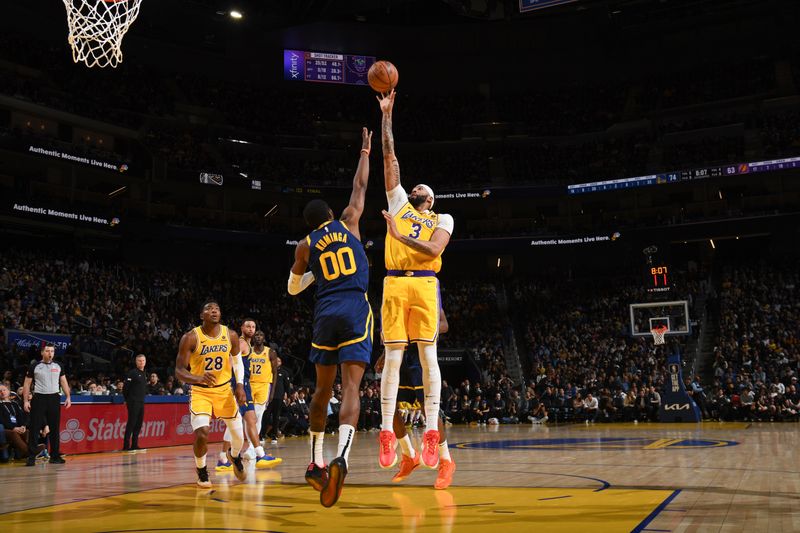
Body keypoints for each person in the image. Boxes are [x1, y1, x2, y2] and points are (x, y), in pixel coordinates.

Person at [287, 126, 372, 508]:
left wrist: (313, 273)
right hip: (354, 307)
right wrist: (364, 152)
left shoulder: (304, 245)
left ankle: (315, 461)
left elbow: (292, 289)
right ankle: (342, 458)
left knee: (322, 390)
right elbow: (359, 186)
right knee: (351, 387)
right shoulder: (350, 220)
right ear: (332, 215)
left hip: (324, 312)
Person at [376, 89, 455, 470]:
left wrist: (399, 235)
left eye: (420, 189)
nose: (414, 189)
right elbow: (389, 156)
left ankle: (431, 431)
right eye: (413, 187)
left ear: (431, 199)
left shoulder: (443, 218)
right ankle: (386, 432)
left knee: (428, 356)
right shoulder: (398, 204)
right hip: (394, 282)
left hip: (424, 282)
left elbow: (433, 250)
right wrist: (386, 115)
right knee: (392, 357)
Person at [375, 310, 456, 490]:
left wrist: (422, 329)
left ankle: (446, 461)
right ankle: (409, 454)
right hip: (397, 354)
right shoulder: (394, 294)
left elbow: (444, 325)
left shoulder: (427, 292)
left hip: (419, 355)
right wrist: (383, 355)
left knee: (428, 409)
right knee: (389, 408)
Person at [175, 301, 248, 488]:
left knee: (239, 437)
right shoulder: (190, 337)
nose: (214, 311)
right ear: (202, 315)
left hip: (224, 390)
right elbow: (179, 371)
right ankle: (201, 470)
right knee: (202, 433)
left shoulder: (230, 335)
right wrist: (198, 378)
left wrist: (240, 385)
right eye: (209, 308)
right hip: (201, 392)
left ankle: (234, 456)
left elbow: (238, 362)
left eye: (217, 308)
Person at [217, 324, 281, 470]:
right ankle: (254, 454)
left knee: (246, 420)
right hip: (241, 385)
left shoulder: (257, 348)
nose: (251, 329)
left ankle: (250, 454)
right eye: (248, 326)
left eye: (253, 327)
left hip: (247, 385)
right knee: (240, 421)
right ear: (242, 328)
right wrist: (232, 383)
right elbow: (230, 362)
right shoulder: (242, 343)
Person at [22, 343, 71, 466]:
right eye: (48, 351)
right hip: (39, 398)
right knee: (35, 427)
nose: (50, 353)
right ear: (42, 352)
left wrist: (68, 397)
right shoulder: (35, 366)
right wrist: (26, 401)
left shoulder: (59, 365)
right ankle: (31, 457)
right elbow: (27, 384)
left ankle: (55, 456)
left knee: (54, 428)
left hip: (54, 398)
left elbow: (63, 381)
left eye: (52, 351)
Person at [263, 356, 290, 444]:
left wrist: (288, 396)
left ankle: (274, 436)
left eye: (278, 361)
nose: (276, 362)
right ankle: (262, 435)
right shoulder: (268, 370)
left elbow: (287, 385)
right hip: (268, 397)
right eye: (275, 360)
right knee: (266, 416)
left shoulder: (284, 373)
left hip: (279, 397)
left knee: (276, 417)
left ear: (281, 363)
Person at [122, 354, 147, 451]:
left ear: (145, 362)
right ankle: (126, 446)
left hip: (141, 402)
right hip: (133, 402)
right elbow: (125, 388)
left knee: (139, 423)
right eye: (139, 361)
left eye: (143, 360)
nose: (141, 362)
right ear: (136, 362)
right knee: (131, 423)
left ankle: (134, 445)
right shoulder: (132, 373)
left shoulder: (144, 373)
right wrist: (127, 399)